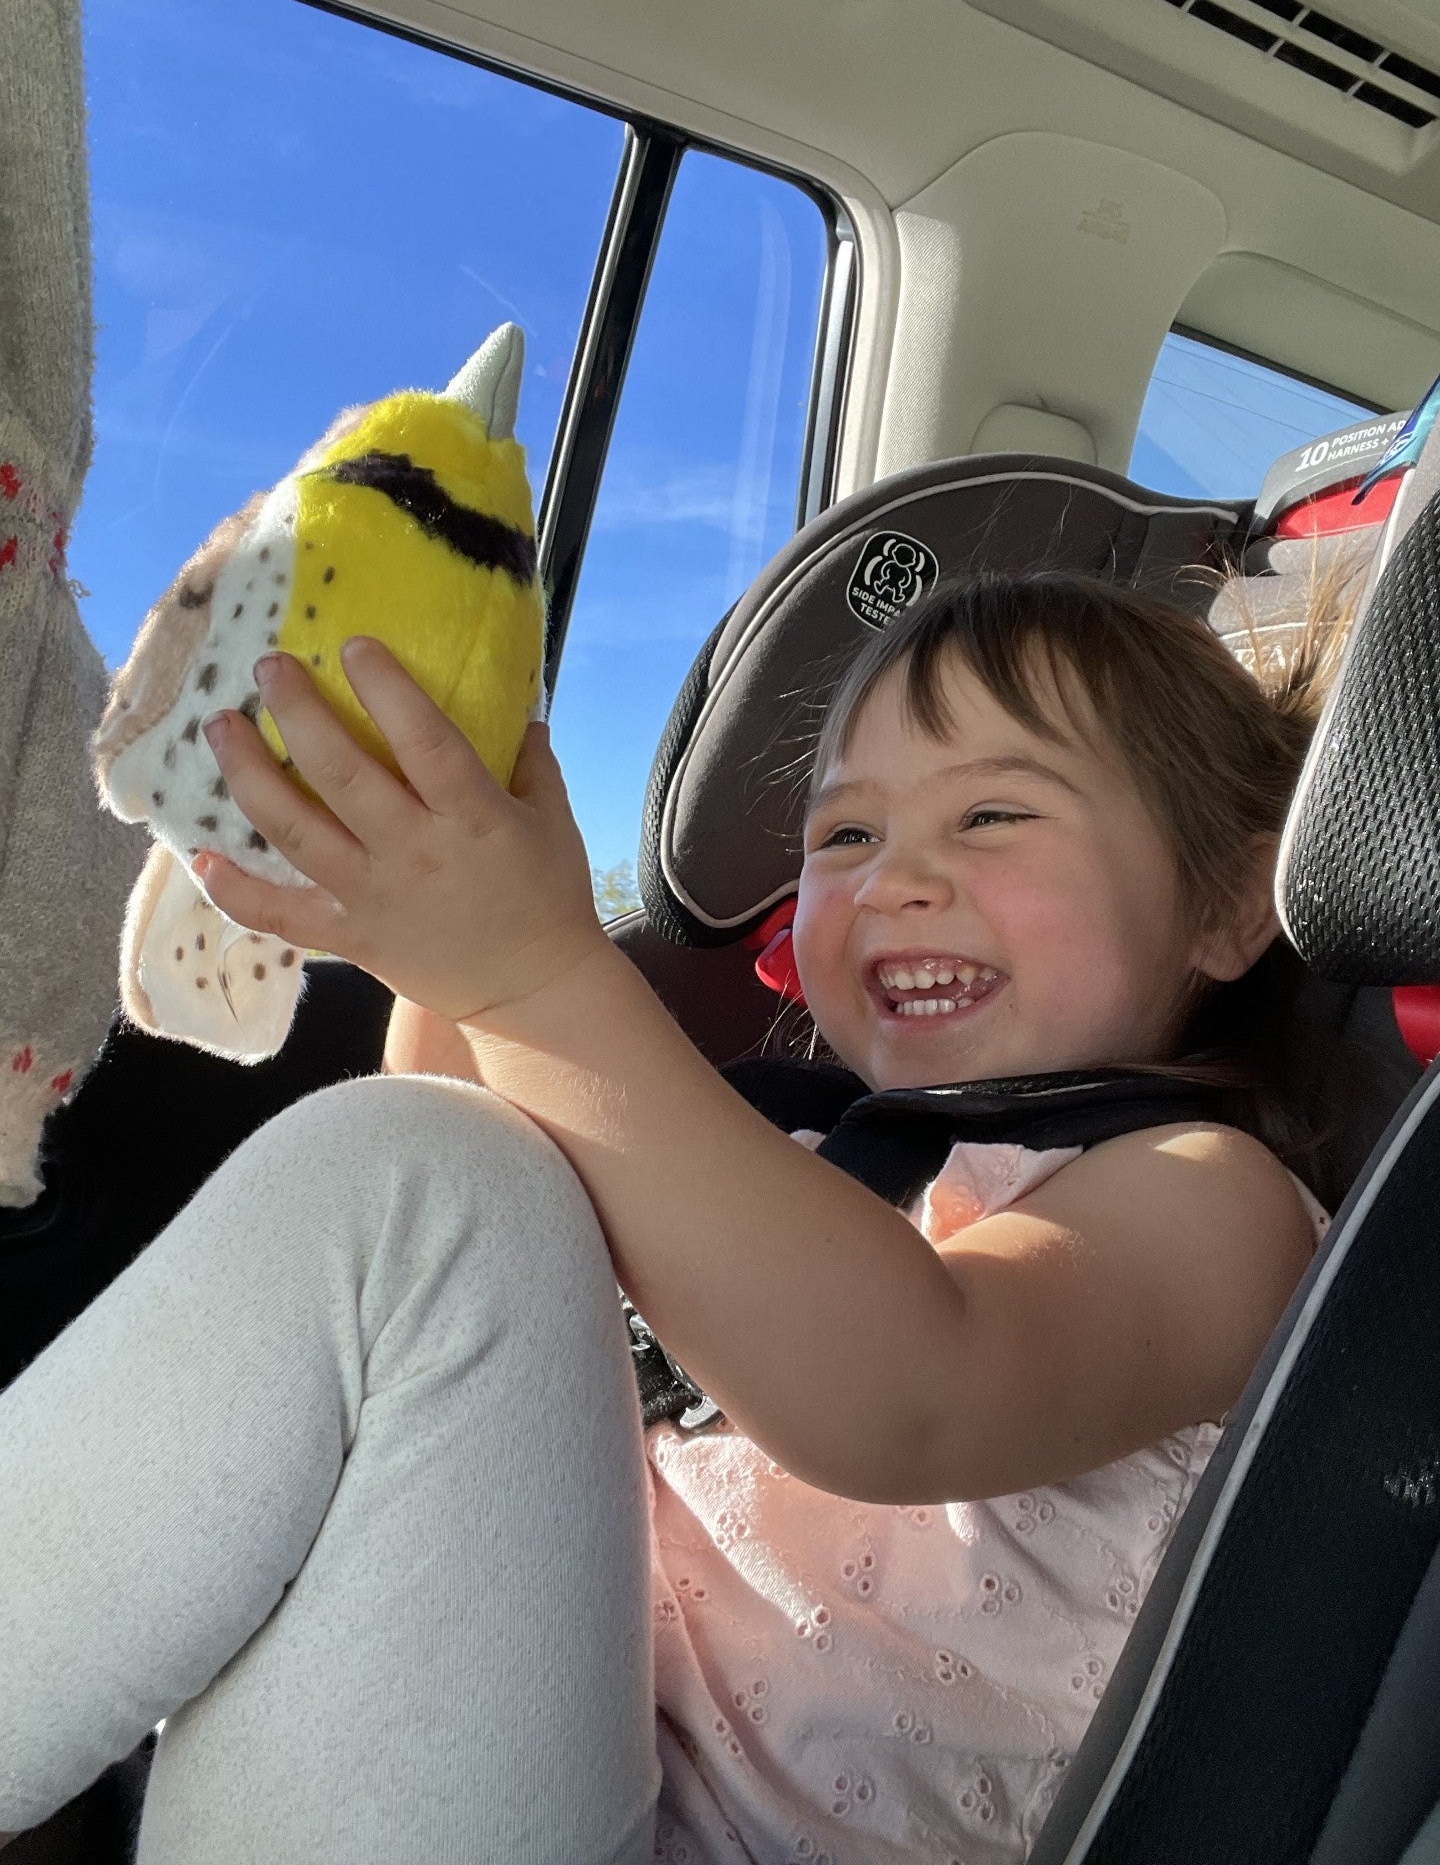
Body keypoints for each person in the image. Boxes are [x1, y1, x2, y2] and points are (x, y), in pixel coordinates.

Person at [0, 569, 1353, 1864]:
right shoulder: (798, 1140)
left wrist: (533, 969)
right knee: (432, 1160)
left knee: (411, 1175)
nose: (895, 880)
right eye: (846, 834)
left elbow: (909, 1390)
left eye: (994, 816)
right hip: (501, 1749)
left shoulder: (1208, 1197)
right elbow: (450, 1204)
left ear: (1230, 907)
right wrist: (449, 945)